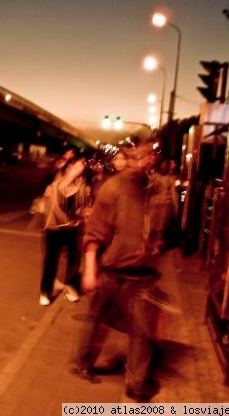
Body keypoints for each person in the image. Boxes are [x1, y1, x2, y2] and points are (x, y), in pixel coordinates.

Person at [70, 139, 164, 401]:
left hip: (138, 276)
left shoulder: (151, 188)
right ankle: (81, 363)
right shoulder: (112, 188)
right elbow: (95, 232)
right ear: (128, 158)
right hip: (110, 271)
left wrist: (153, 243)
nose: (143, 161)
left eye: (148, 156)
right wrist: (89, 269)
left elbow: (152, 227)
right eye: (138, 156)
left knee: (141, 330)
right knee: (96, 320)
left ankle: (135, 384)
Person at [38, 156, 92, 306]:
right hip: (55, 229)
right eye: (76, 166)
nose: (79, 170)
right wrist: (70, 221)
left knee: (74, 261)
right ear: (68, 167)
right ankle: (45, 291)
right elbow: (55, 209)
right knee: (51, 261)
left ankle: (69, 289)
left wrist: (83, 214)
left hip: (73, 230)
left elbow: (84, 208)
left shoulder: (82, 188)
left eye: (82, 167)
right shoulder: (55, 187)